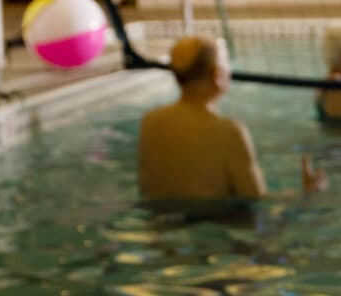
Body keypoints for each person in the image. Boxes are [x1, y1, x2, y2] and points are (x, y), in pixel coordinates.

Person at [136, 35, 325, 204]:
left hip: (161, 232)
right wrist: (306, 194)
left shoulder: (150, 122)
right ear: (217, 75)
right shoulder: (230, 131)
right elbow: (256, 201)